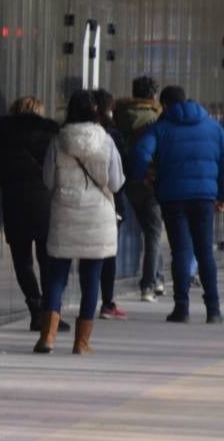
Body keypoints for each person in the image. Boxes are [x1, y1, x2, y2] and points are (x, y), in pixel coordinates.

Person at [35, 91, 125, 353]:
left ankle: (47, 336)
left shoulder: (57, 141)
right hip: (98, 216)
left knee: (56, 278)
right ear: (96, 111)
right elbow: (117, 182)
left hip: (65, 213)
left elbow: (48, 180)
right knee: (91, 279)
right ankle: (81, 342)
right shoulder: (106, 141)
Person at [129, 84, 223, 323]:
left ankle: (182, 307)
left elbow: (140, 154)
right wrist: (221, 194)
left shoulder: (161, 128)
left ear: (166, 105)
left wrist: (143, 177)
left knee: (181, 250)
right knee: (204, 251)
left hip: (173, 197)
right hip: (204, 197)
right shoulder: (213, 127)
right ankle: (213, 309)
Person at [0, 96, 60, 330]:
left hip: (14, 200)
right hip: (44, 201)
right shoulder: (50, 133)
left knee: (22, 260)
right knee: (47, 260)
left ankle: (35, 306)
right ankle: (50, 312)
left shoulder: (1, 134)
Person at [113, 75, 166, 300]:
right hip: (150, 179)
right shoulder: (157, 118)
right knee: (154, 233)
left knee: (150, 230)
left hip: (126, 181)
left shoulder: (119, 116)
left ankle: (159, 278)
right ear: (153, 95)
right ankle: (148, 284)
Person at [90, 89, 128, 320]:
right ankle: (106, 302)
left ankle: (55, 305)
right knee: (107, 254)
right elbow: (118, 179)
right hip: (108, 205)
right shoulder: (112, 137)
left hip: (71, 204)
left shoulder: (62, 136)